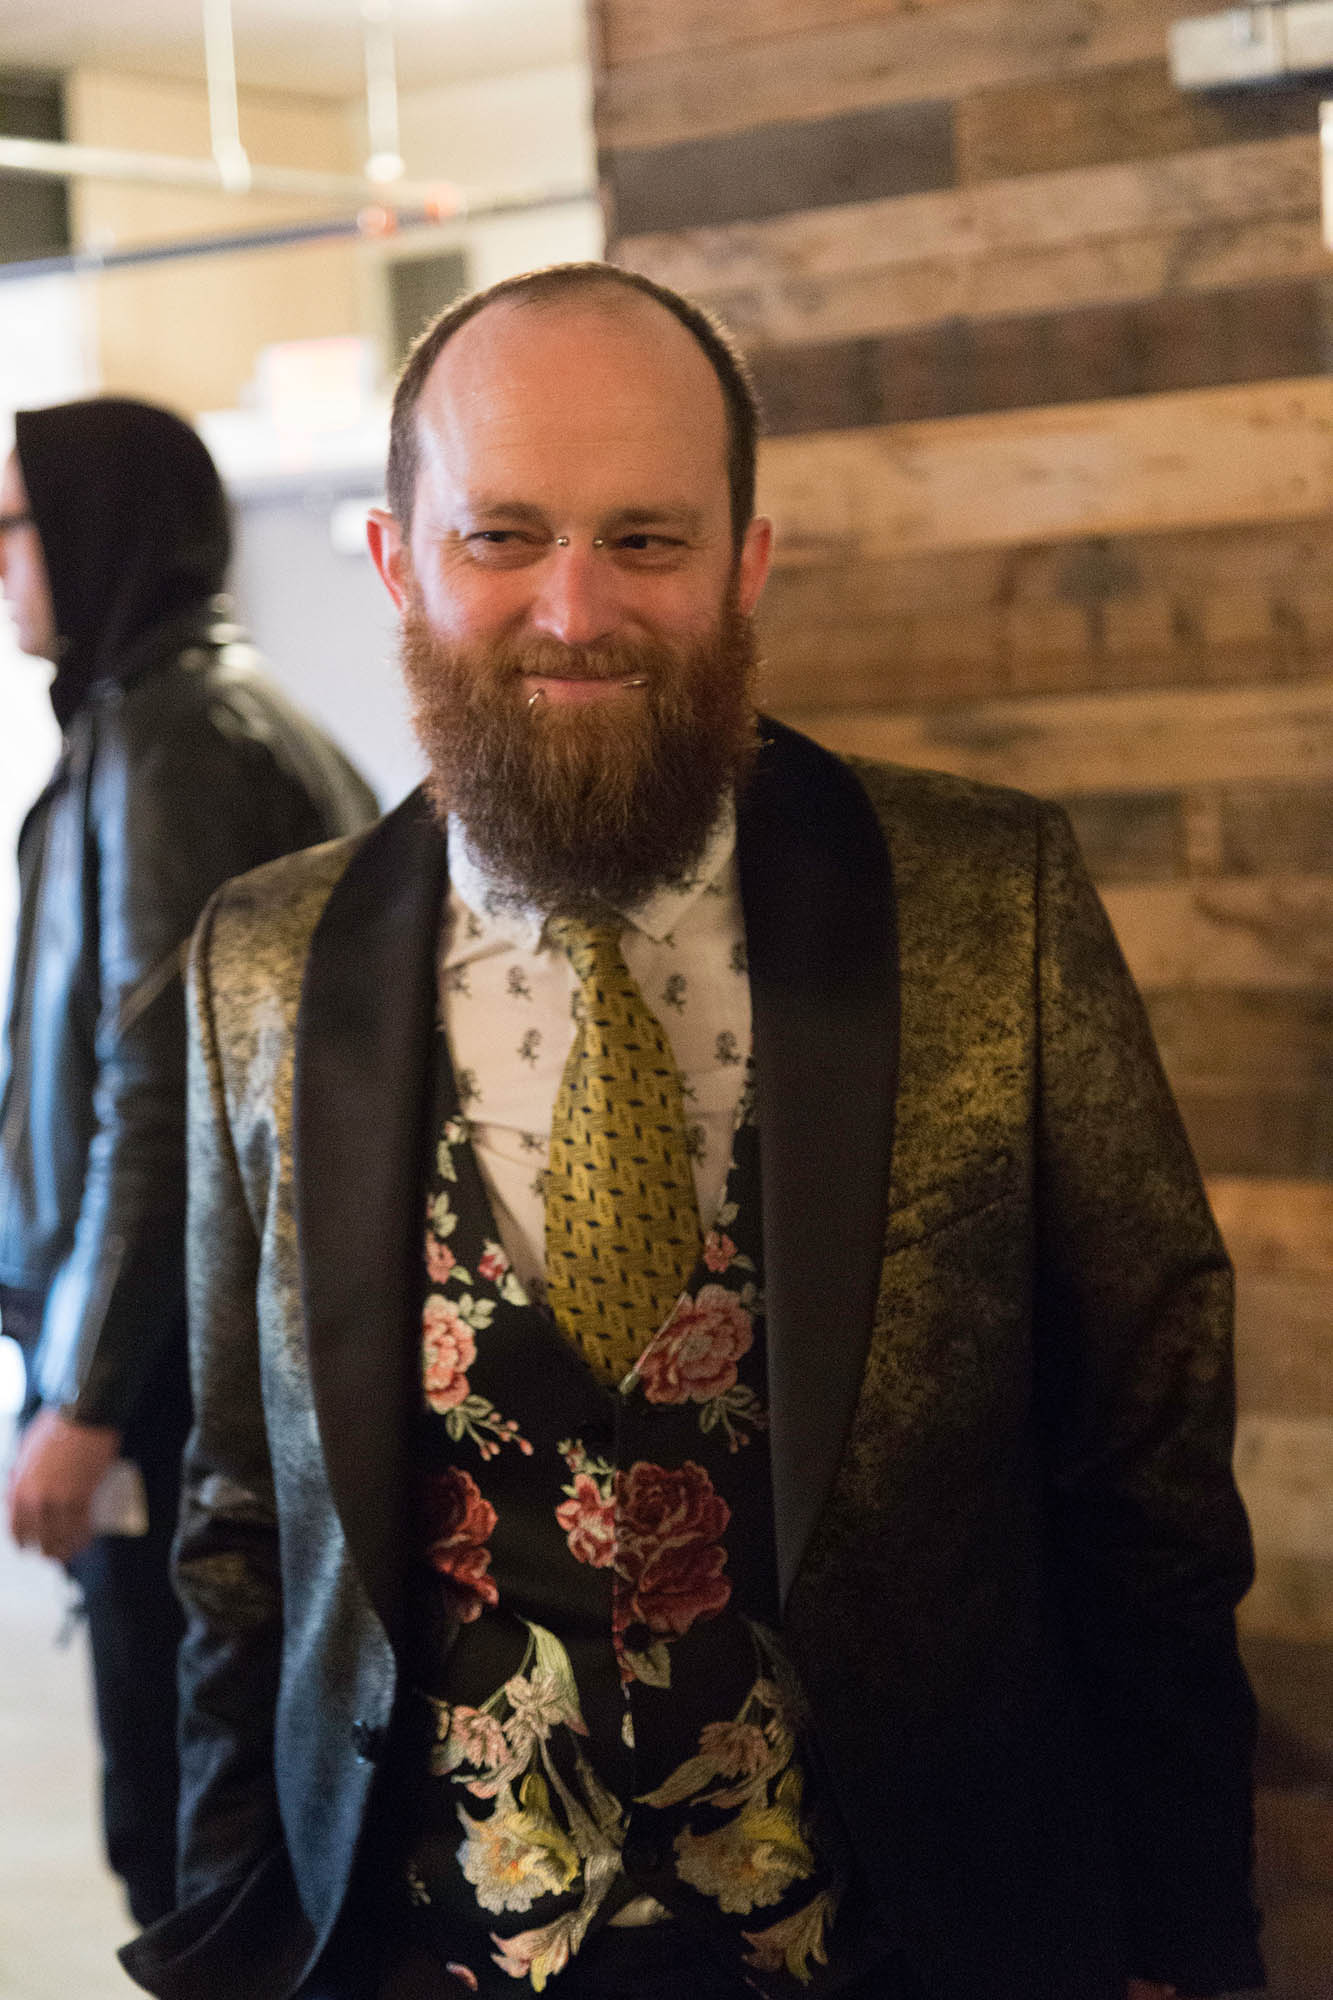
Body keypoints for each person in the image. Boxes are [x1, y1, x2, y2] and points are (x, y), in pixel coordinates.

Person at [123, 268, 1262, 2000]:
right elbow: (239, 1527)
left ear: (744, 562)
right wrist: (231, 1940)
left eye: (643, 540)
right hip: (426, 1945)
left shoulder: (988, 900)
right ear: (396, 563)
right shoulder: (259, 963)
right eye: (501, 535)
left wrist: (1186, 1934)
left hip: (909, 1935)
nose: (573, 610)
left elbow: (1147, 1462)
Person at [0, 395, 379, 1927]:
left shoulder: (176, 739)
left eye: (14, 523)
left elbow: (160, 1093)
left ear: (97, 534)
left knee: (188, 1839)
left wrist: (88, 1400)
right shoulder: (151, 720)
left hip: (180, 1392)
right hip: (178, 1372)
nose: (1, 562)